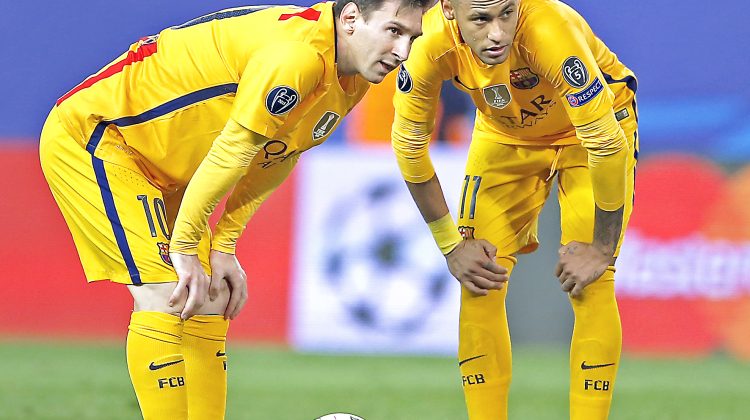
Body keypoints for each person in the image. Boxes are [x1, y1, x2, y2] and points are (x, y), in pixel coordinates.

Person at [39, 1, 428, 418]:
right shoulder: (295, 57)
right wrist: (186, 245)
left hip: (165, 166)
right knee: (166, 294)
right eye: (393, 31)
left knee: (211, 295)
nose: (403, 52)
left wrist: (223, 244)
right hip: (99, 137)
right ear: (351, 18)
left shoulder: (351, 77)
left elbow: (278, 154)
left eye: (412, 37)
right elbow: (235, 149)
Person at [390, 0, 638, 419]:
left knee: (592, 281)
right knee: (479, 279)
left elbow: (606, 142)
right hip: (505, 135)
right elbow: (410, 145)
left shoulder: (550, 28)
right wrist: (452, 246)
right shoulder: (428, 43)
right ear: (450, 11)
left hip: (593, 132)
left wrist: (602, 248)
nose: (498, 33)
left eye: (507, 13)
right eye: (482, 19)